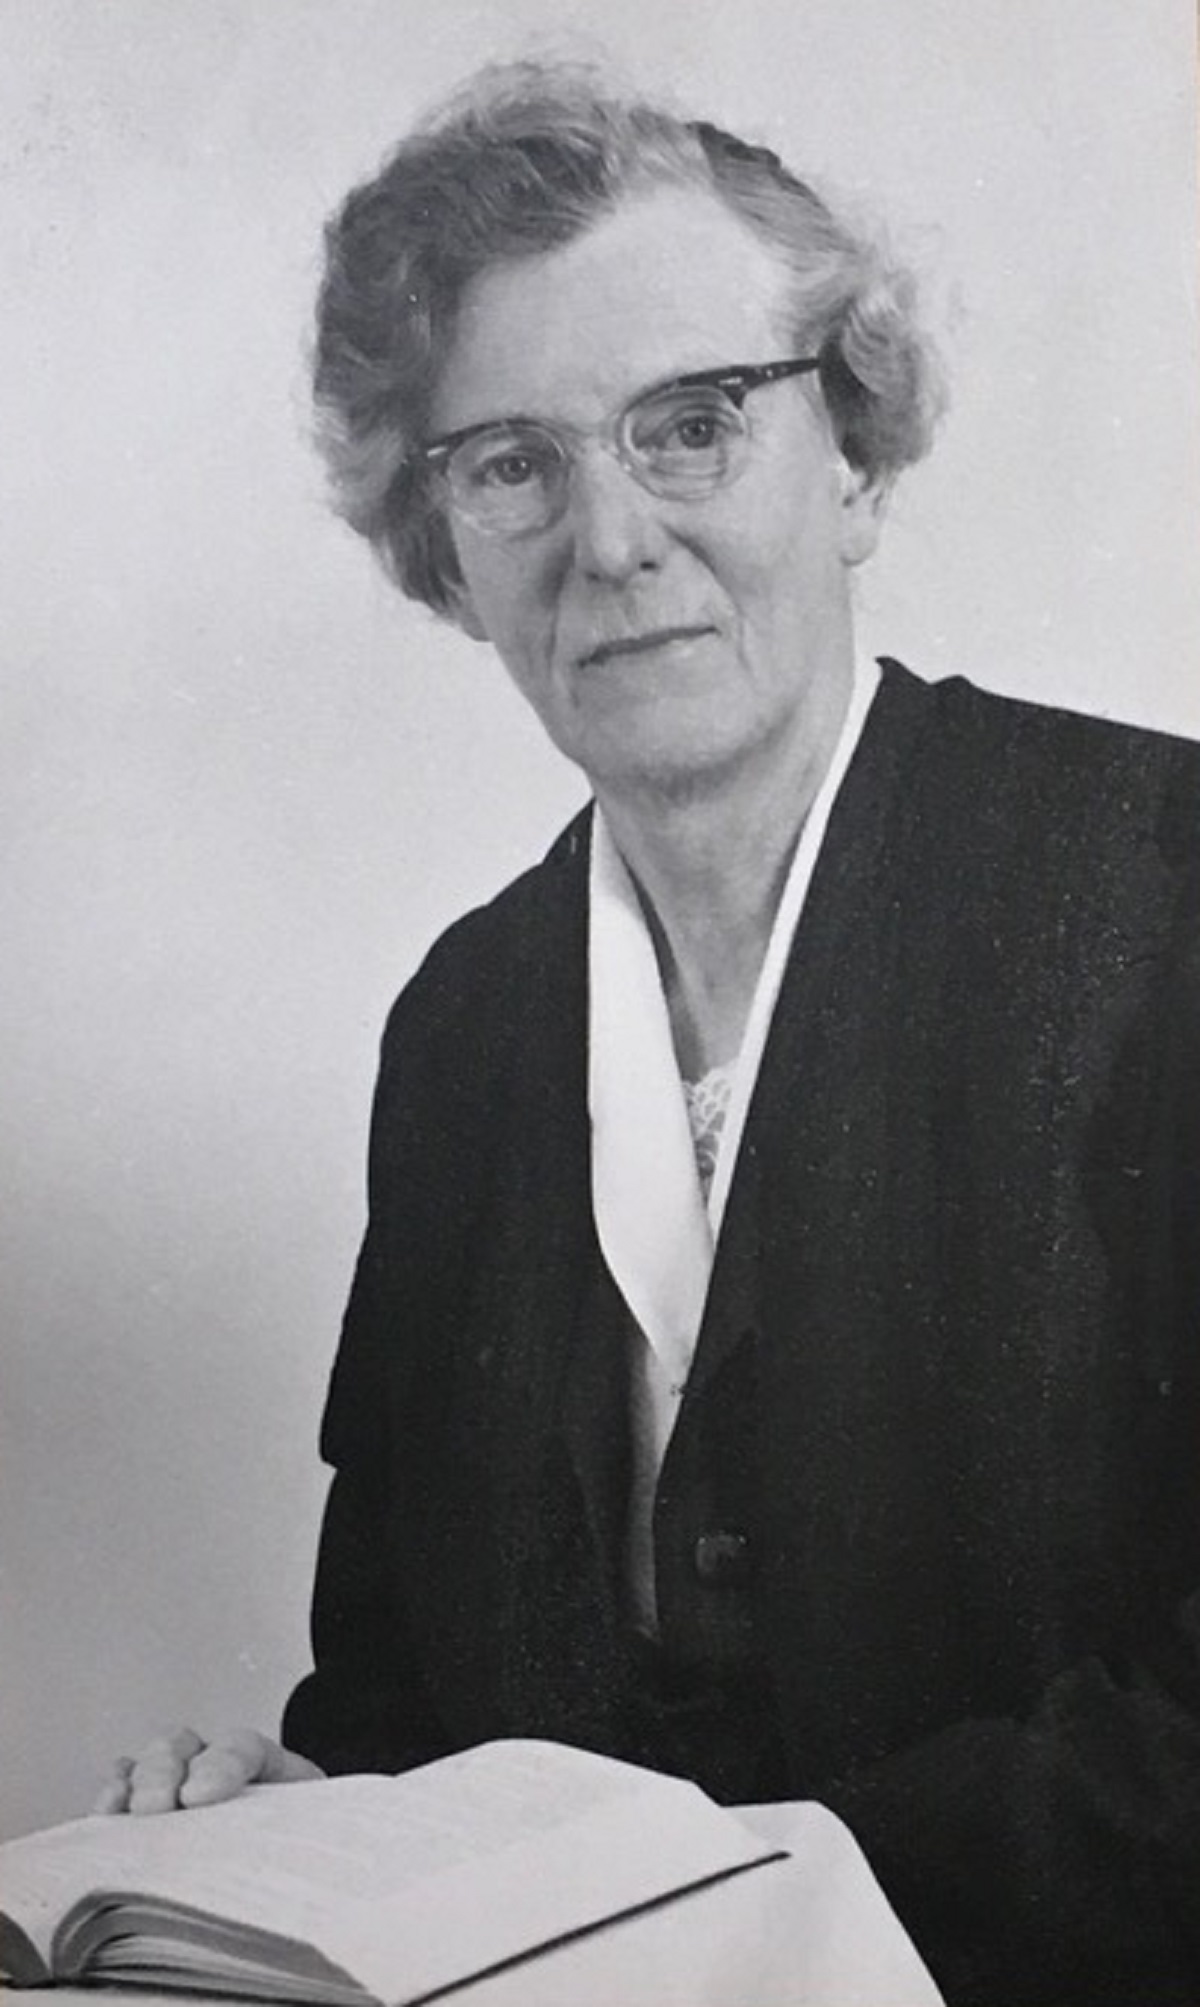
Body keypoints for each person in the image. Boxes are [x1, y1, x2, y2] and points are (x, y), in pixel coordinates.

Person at [95, 62, 1200, 2006]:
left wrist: (730, 1919)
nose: (609, 536)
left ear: (854, 459)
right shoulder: (462, 1025)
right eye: (512, 462)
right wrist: (311, 1824)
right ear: (443, 553)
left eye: (689, 423)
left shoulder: (1169, 889)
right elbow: (404, 1699)